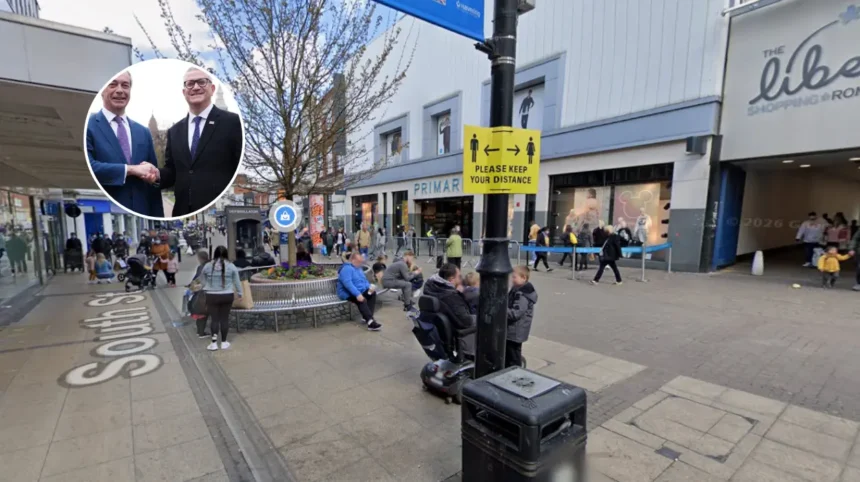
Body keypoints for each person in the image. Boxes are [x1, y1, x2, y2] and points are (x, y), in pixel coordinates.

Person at [155, 68, 244, 217]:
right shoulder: (174, 131)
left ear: (212, 88)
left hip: (214, 208)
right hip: (182, 209)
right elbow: (172, 171)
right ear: (184, 92)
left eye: (201, 82)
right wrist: (155, 174)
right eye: (190, 84)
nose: (196, 87)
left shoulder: (233, 123)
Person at [85, 71, 163, 217]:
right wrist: (131, 170)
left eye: (125, 85)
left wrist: (154, 177)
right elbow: (91, 167)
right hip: (112, 211)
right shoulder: (89, 126)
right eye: (113, 84)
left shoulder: (143, 132)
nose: (120, 90)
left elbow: (152, 182)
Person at [423, 263, 476, 353]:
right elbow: (466, 321)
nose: (461, 279)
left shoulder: (430, 287)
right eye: (459, 277)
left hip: (440, 336)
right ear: (451, 280)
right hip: (460, 338)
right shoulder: (451, 296)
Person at [200, 246, 241, 350]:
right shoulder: (231, 266)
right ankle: (224, 342)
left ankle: (213, 343)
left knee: (214, 320)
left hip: (211, 295)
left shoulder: (208, 266)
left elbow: (202, 279)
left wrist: (207, 286)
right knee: (224, 319)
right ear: (226, 254)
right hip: (227, 295)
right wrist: (240, 293)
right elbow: (237, 281)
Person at [337, 252, 382, 331]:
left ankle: (367, 317)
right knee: (361, 299)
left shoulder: (358, 268)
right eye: (359, 261)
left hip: (359, 290)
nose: (360, 263)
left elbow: (363, 280)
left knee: (372, 293)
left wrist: (369, 288)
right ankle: (370, 322)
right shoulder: (346, 269)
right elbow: (348, 284)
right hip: (347, 292)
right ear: (353, 260)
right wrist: (357, 294)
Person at [506, 265, 537, 368]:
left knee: (513, 355)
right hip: (511, 330)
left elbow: (516, 313)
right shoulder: (516, 289)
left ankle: (516, 371)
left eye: (514, 277)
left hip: (515, 331)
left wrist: (502, 311)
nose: (512, 279)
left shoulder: (523, 295)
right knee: (509, 353)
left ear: (523, 278)